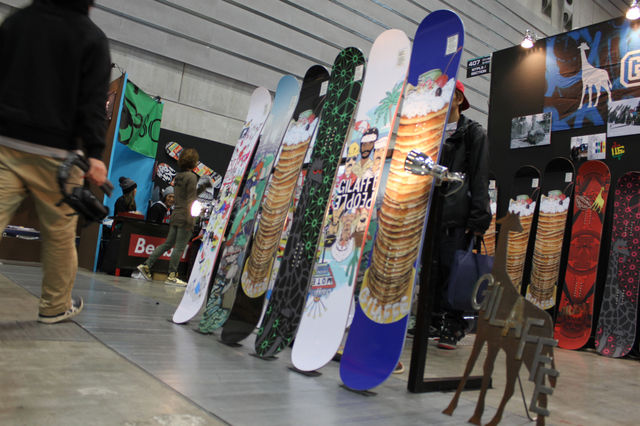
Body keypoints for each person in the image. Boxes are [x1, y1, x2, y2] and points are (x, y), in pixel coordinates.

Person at [0, 0, 110, 323]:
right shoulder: (92, 38)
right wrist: (95, 154)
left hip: (5, 143)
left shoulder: (16, 22)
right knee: (59, 234)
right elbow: (92, 105)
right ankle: (55, 305)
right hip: (58, 157)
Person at [432, 80, 491, 349]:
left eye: (445, 95)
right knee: (433, 270)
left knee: (456, 270)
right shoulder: (432, 133)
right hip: (430, 215)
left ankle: (454, 325)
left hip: (457, 216)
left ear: (457, 98)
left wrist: (479, 218)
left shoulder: (472, 133)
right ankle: (433, 319)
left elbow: (480, 176)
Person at [137, 148, 211, 285]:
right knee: (179, 247)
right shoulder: (192, 177)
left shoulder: (178, 177)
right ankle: (171, 275)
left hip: (176, 214)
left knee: (168, 244)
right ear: (194, 162)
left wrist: (201, 188)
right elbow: (191, 199)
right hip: (185, 216)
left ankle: (146, 265)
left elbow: (183, 195)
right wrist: (192, 218)